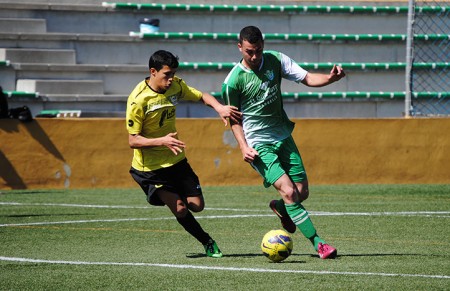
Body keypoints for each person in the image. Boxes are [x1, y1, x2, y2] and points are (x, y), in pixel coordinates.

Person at [222, 26, 345, 259]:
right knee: (289, 192)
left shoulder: (276, 60)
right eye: (250, 51)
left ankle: (280, 208)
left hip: (283, 136)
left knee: (301, 192)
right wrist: (243, 146)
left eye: (258, 50)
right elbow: (233, 119)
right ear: (240, 47)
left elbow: (307, 77)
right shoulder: (232, 82)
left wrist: (330, 78)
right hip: (258, 145)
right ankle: (319, 244)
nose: (255, 56)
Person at [126, 50, 241, 258]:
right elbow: (133, 140)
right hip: (151, 169)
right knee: (180, 208)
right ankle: (207, 241)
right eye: (166, 75)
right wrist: (162, 141)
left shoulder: (176, 85)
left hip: (176, 161)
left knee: (197, 205)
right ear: (153, 71)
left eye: (172, 74)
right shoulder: (138, 100)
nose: (170, 80)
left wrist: (219, 108)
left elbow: (201, 96)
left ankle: (177, 199)